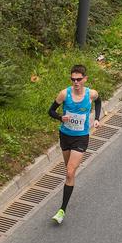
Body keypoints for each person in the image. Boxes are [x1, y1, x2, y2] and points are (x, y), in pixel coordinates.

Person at [47, 64, 101, 224]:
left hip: (81, 137)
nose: (76, 82)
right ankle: (70, 182)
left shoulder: (91, 94)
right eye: (73, 79)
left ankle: (62, 210)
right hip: (65, 135)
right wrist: (60, 118)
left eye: (78, 79)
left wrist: (97, 119)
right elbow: (50, 111)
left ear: (85, 79)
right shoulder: (64, 94)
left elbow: (98, 102)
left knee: (70, 172)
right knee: (68, 170)